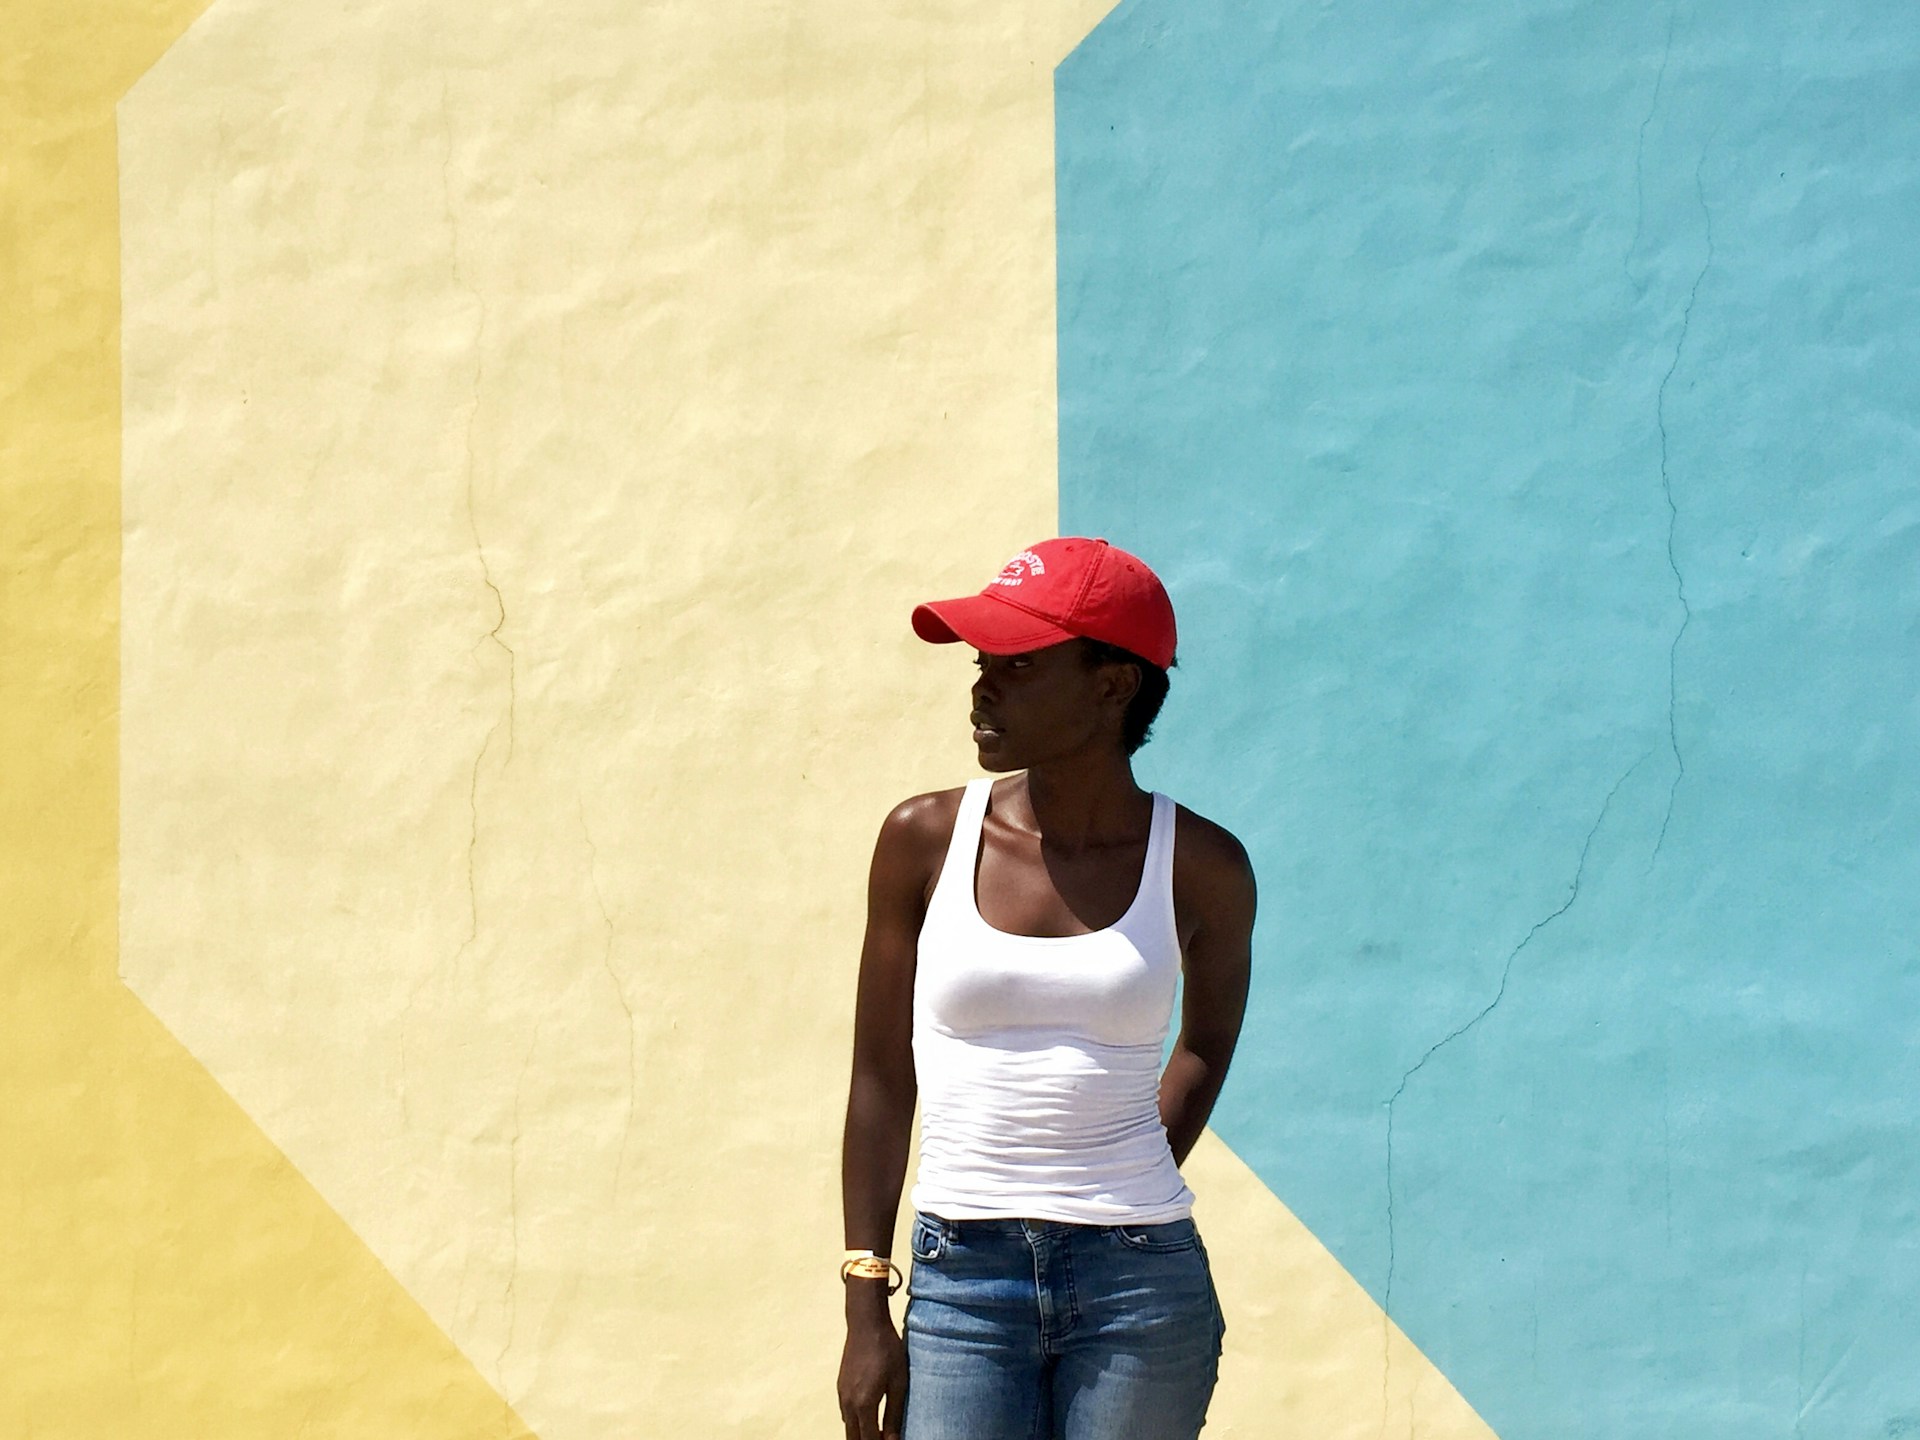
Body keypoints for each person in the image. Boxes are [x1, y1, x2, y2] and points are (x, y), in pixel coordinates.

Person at [837, 536, 1257, 1440]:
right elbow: (880, 1077)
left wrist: (1117, 1175)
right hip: (962, 1281)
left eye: (1017, 666)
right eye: (983, 663)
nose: (981, 687)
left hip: (1141, 1286)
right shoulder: (922, 839)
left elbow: (1206, 1046)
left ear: (1113, 687)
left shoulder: (1204, 865)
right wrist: (865, 1299)